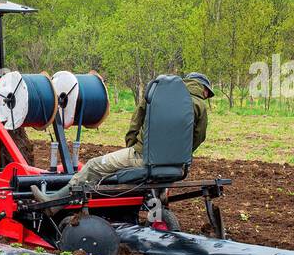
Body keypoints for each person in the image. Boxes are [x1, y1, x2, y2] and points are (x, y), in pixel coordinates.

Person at [37, 72, 213, 196]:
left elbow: (137, 120)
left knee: (92, 166)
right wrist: (179, 155)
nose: (207, 95)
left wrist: (132, 146)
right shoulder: (200, 106)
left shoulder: (157, 94)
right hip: (175, 164)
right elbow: (198, 137)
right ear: (203, 89)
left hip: (142, 155)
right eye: (208, 93)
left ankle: (55, 200)